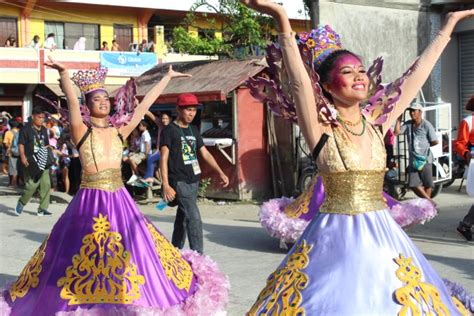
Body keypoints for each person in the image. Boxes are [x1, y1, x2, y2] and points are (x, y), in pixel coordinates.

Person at [240, 0, 473, 314]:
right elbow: (297, 82)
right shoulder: (321, 128)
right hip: (333, 240)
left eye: (361, 70)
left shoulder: (377, 122)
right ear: (325, 86)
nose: (359, 76)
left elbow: (415, 76)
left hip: (383, 237)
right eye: (347, 72)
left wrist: (448, 28)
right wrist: (281, 17)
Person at [1, 57, 229, 315]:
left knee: (135, 250)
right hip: (89, 201)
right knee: (78, 252)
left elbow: (143, 107)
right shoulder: (81, 131)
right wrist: (65, 75)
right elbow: (72, 102)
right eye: (96, 100)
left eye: (106, 99)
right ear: (88, 106)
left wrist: (166, 78)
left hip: (120, 200)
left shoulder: (120, 131)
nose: (103, 102)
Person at [160, 93, 230, 254]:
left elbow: (204, 153)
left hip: (193, 179)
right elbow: (163, 158)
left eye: (194, 110)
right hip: (179, 180)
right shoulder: (169, 131)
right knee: (194, 218)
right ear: (178, 110)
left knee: (183, 217)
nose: (191, 113)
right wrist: (165, 184)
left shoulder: (194, 130)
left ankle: (174, 250)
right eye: (188, 110)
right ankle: (198, 256)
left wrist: (220, 172)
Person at [394, 103, 439, 202]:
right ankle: (430, 202)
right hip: (413, 160)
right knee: (413, 184)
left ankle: (426, 206)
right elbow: (397, 132)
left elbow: (435, 141)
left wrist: (424, 147)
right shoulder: (408, 124)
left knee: (428, 184)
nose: (412, 113)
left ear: (420, 112)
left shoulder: (426, 125)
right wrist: (398, 118)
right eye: (411, 111)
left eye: (414, 111)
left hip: (425, 159)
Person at [15, 107, 52, 216]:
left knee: (46, 184)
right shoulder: (25, 129)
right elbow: (21, 144)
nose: (41, 120)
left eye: (43, 118)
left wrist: (50, 151)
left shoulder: (44, 130)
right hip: (31, 161)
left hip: (43, 160)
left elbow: (46, 144)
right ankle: (22, 202)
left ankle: (42, 209)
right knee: (32, 185)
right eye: (39, 117)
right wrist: (22, 156)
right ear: (33, 117)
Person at [455, 95, 474, 241]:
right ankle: (465, 225)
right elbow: (459, 144)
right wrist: (467, 154)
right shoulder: (467, 122)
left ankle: (466, 224)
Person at [142, 110, 172, 184]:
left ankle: (149, 177)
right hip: (160, 151)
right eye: (163, 118)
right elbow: (150, 115)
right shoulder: (160, 125)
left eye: (166, 118)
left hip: (168, 152)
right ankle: (151, 178)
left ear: (170, 119)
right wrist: (141, 107)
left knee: (150, 158)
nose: (164, 120)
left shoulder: (172, 128)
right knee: (151, 159)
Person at [3, 120, 21, 187]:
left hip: (11, 152)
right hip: (20, 152)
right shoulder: (19, 132)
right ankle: (18, 182)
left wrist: (9, 147)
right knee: (18, 167)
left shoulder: (8, 132)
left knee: (12, 168)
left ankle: (12, 183)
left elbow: (5, 143)